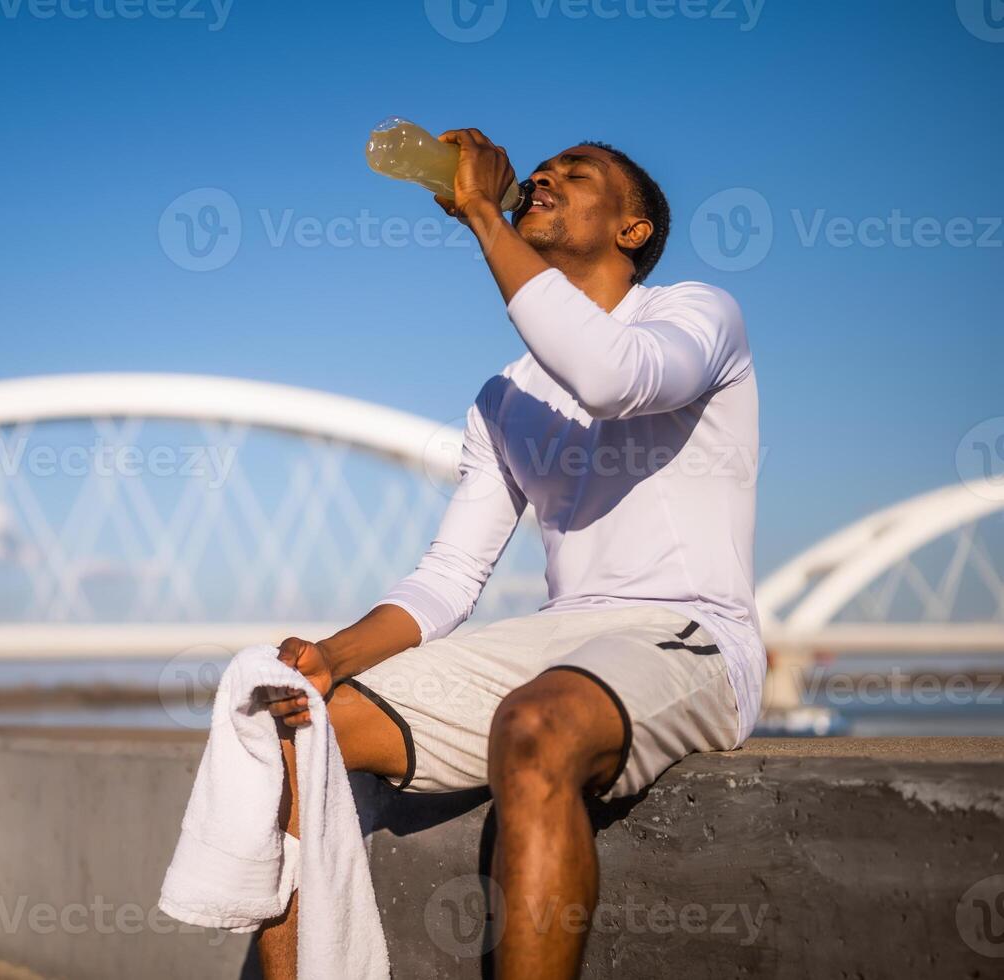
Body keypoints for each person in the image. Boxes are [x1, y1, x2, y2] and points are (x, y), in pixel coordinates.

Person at [257, 131, 764, 980]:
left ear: (632, 231)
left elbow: (613, 377)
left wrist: (483, 214)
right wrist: (329, 658)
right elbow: (449, 578)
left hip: (689, 631)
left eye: (579, 174)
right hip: (557, 638)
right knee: (300, 731)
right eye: (543, 171)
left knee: (535, 726)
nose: (546, 177)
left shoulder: (695, 313)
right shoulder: (503, 398)